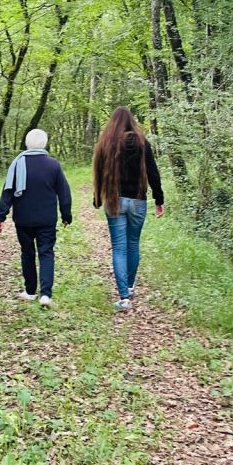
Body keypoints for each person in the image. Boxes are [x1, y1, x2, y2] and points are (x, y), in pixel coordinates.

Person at [93, 107, 164, 313]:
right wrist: (159, 199)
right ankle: (130, 287)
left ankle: (124, 297)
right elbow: (153, 173)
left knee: (119, 248)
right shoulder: (143, 144)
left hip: (114, 201)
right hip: (138, 201)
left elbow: (98, 173)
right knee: (133, 244)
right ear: (132, 122)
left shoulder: (107, 143)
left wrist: (97, 198)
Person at [0, 128, 72, 308]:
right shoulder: (53, 165)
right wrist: (66, 215)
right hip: (46, 219)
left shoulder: (18, 164)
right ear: (44, 143)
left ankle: (30, 292)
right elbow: (64, 193)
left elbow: (8, 191)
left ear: (27, 143)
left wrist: (0, 217)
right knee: (46, 253)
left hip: (23, 219)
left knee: (27, 253)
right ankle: (45, 295)